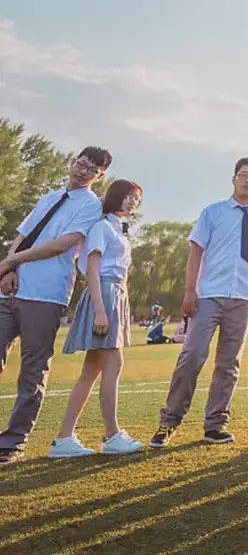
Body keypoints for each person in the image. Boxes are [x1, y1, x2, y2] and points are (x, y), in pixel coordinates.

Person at [150, 157, 248, 447]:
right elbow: (195, 252)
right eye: (243, 175)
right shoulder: (213, 212)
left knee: (229, 363)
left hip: (243, 296)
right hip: (209, 294)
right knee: (193, 354)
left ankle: (215, 424)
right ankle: (169, 421)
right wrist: (189, 290)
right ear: (234, 178)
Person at [0, 145, 112, 464]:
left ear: (99, 176)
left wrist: (10, 261)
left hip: (45, 293)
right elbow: (23, 235)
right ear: (72, 161)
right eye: (81, 163)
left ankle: (12, 441)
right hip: (10, 291)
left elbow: (60, 245)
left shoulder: (90, 206)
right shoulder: (49, 197)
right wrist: (8, 269)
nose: (82, 171)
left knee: (32, 371)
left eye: (91, 170)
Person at [49, 180, 144, 456]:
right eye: (128, 196)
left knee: (92, 370)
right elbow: (93, 269)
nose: (132, 202)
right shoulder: (102, 227)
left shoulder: (117, 229)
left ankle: (63, 438)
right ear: (115, 196)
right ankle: (111, 434)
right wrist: (100, 310)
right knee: (113, 363)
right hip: (104, 293)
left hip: (116, 293)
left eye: (136, 199)